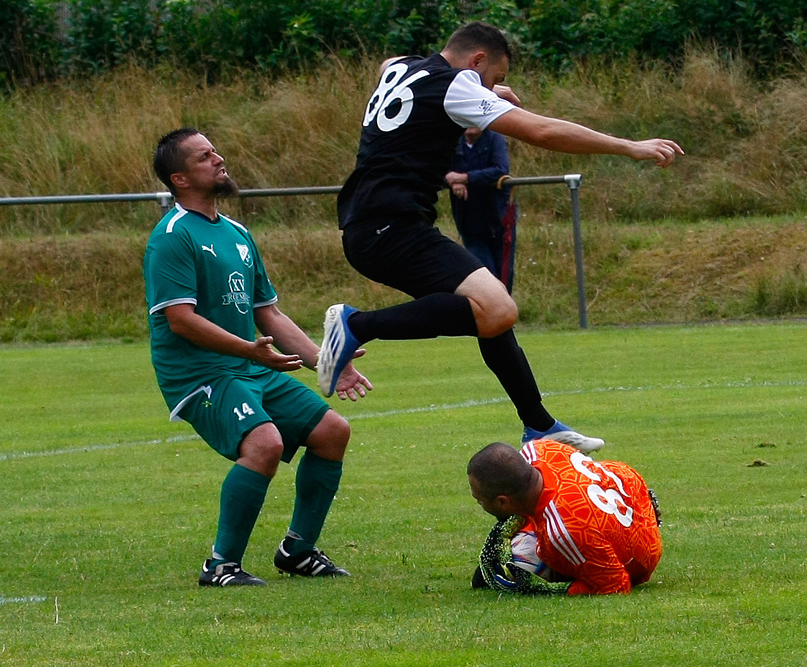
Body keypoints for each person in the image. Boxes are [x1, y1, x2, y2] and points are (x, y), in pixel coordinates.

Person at [319, 21, 682, 450]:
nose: (496, 86)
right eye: (497, 77)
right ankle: (356, 323)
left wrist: (486, 91)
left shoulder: (403, 68)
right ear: (476, 61)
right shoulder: (457, 85)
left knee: (489, 309)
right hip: (390, 226)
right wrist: (630, 146)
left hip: (373, 225)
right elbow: (542, 130)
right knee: (497, 309)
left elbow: (388, 62)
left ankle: (540, 425)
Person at [143, 128, 372, 586]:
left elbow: (267, 312)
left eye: (215, 151)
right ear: (180, 179)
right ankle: (221, 564)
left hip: (247, 364)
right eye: (205, 157)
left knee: (332, 431)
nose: (218, 158)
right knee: (263, 444)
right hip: (198, 374)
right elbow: (180, 320)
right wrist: (247, 349)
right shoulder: (171, 236)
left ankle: (298, 550)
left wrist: (328, 362)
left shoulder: (237, 233)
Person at [467, 439, 663, 595]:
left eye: (480, 500)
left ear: (503, 502)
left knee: (534, 557)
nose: (479, 504)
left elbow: (616, 584)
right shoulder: (537, 449)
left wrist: (549, 588)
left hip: (641, 550)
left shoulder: (563, 532)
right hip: (622, 481)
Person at [446, 127, 517, 292]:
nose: (471, 124)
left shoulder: (495, 138)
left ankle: (504, 312)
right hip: (469, 221)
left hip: (499, 217)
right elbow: (436, 171)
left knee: (504, 273)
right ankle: (490, 311)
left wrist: (465, 178)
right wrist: (453, 181)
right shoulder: (452, 141)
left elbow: (501, 169)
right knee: (484, 273)